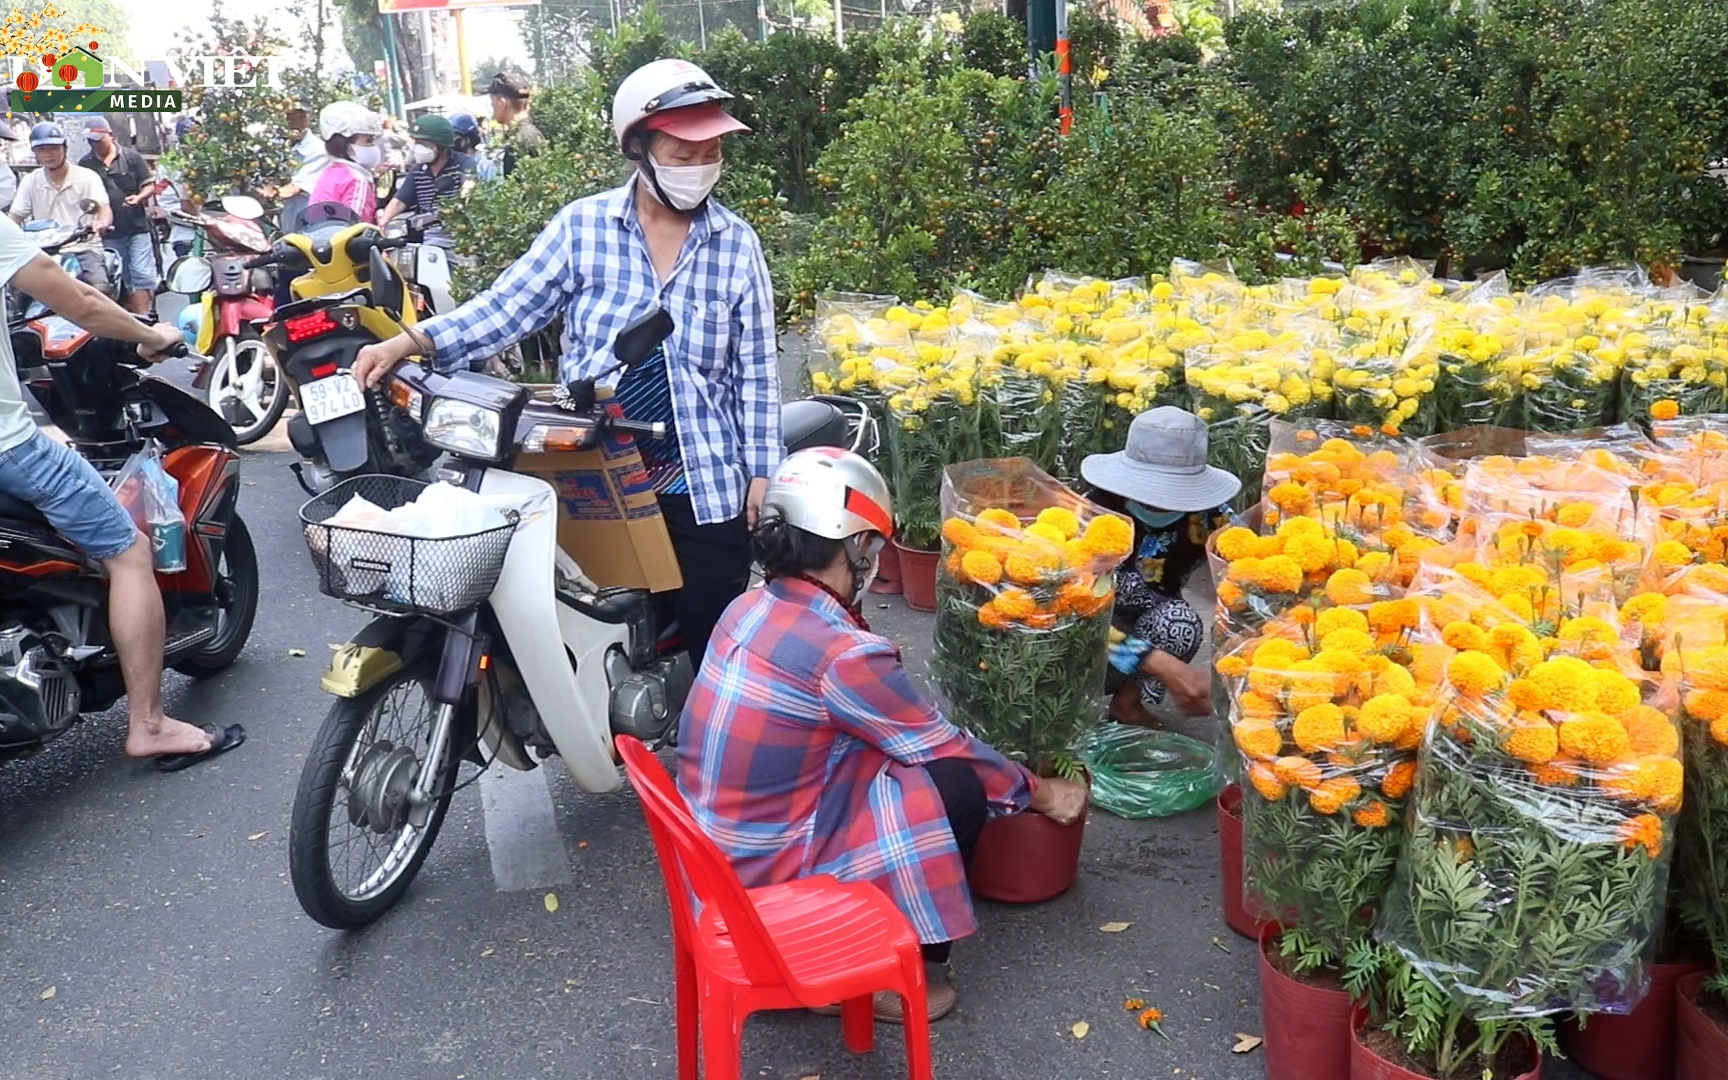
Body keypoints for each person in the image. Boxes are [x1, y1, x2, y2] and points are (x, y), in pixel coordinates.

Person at [351, 58, 781, 666]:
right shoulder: (583, 228)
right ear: (639, 148)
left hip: (700, 476)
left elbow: (755, 373)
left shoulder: (736, 242)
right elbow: (506, 309)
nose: (701, 169)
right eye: (684, 156)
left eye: (711, 154)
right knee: (578, 631)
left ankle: (708, 748)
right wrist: (409, 342)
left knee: (717, 645)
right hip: (595, 465)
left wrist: (762, 472)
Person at [676, 448, 1090, 1021]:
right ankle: (872, 975)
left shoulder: (747, 606)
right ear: (853, 545)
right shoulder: (843, 653)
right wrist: (1042, 792)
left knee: (900, 763)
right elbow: (943, 745)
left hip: (718, 862)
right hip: (769, 888)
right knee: (956, 787)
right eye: (870, 543)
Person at [0, 213, 244, 770]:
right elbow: (79, 301)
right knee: (129, 551)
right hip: (9, 449)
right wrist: (149, 333)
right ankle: (150, 725)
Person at [1081, 406, 1241, 724]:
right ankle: (1058, 724)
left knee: (1179, 622)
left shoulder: (1209, 515)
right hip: (1083, 642)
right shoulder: (1092, 513)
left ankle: (1128, 703)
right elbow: (1068, 611)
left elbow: (1244, 560)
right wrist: (1159, 662)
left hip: (1151, 627)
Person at [9, 123, 111, 290]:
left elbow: (103, 208)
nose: (49, 154)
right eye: (42, 149)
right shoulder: (31, 181)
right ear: (35, 153)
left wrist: (101, 223)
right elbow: (15, 216)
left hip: (82, 247)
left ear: (64, 148)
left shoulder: (87, 177)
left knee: (100, 288)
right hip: (42, 251)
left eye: (54, 148)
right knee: (15, 295)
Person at [79, 117, 157, 314]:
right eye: (90, 140)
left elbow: (149, 184)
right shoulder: (85, 164)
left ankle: (145, 317)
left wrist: (139, 197)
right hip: (110, 234)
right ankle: (130, 319)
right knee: (120, 278)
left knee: (141, 274)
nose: (95, 144)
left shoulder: (131, 157)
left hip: (137, 226)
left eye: (98, 139)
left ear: (110, 135)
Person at [377, 113, 475, 246]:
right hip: (427, 237)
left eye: (423, 143)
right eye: (416, 142)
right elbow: (399, 201)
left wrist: (459, 205)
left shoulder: (463, 163)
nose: (417, 147)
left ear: (441, 145)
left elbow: (469, 185)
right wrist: (383, 223)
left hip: (457, 239)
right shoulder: (418, 171)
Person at [307, 101, 382, 225]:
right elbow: (353, 226)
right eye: (368, 141)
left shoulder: (331, 172)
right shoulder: (357, 179)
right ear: (346, 145)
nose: (374, 147)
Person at [276, 99, 327, 234]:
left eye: (300, 115)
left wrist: (271, 191)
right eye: (289, 115)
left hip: (310, 221)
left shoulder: (318, 150)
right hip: (289, 220)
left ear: (308, 118)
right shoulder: (279, 146)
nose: (293, 120)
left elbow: (292, 189)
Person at [485, 71, 541, 176]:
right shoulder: (525, 134)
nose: (492, 107)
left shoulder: (522, 138)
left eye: (492, 102)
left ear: (501, 103)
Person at [449, 111, 500, 183]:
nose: (452, 142)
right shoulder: (452, 164)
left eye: (456, 137)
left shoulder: (484, 163)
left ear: (468, 139)